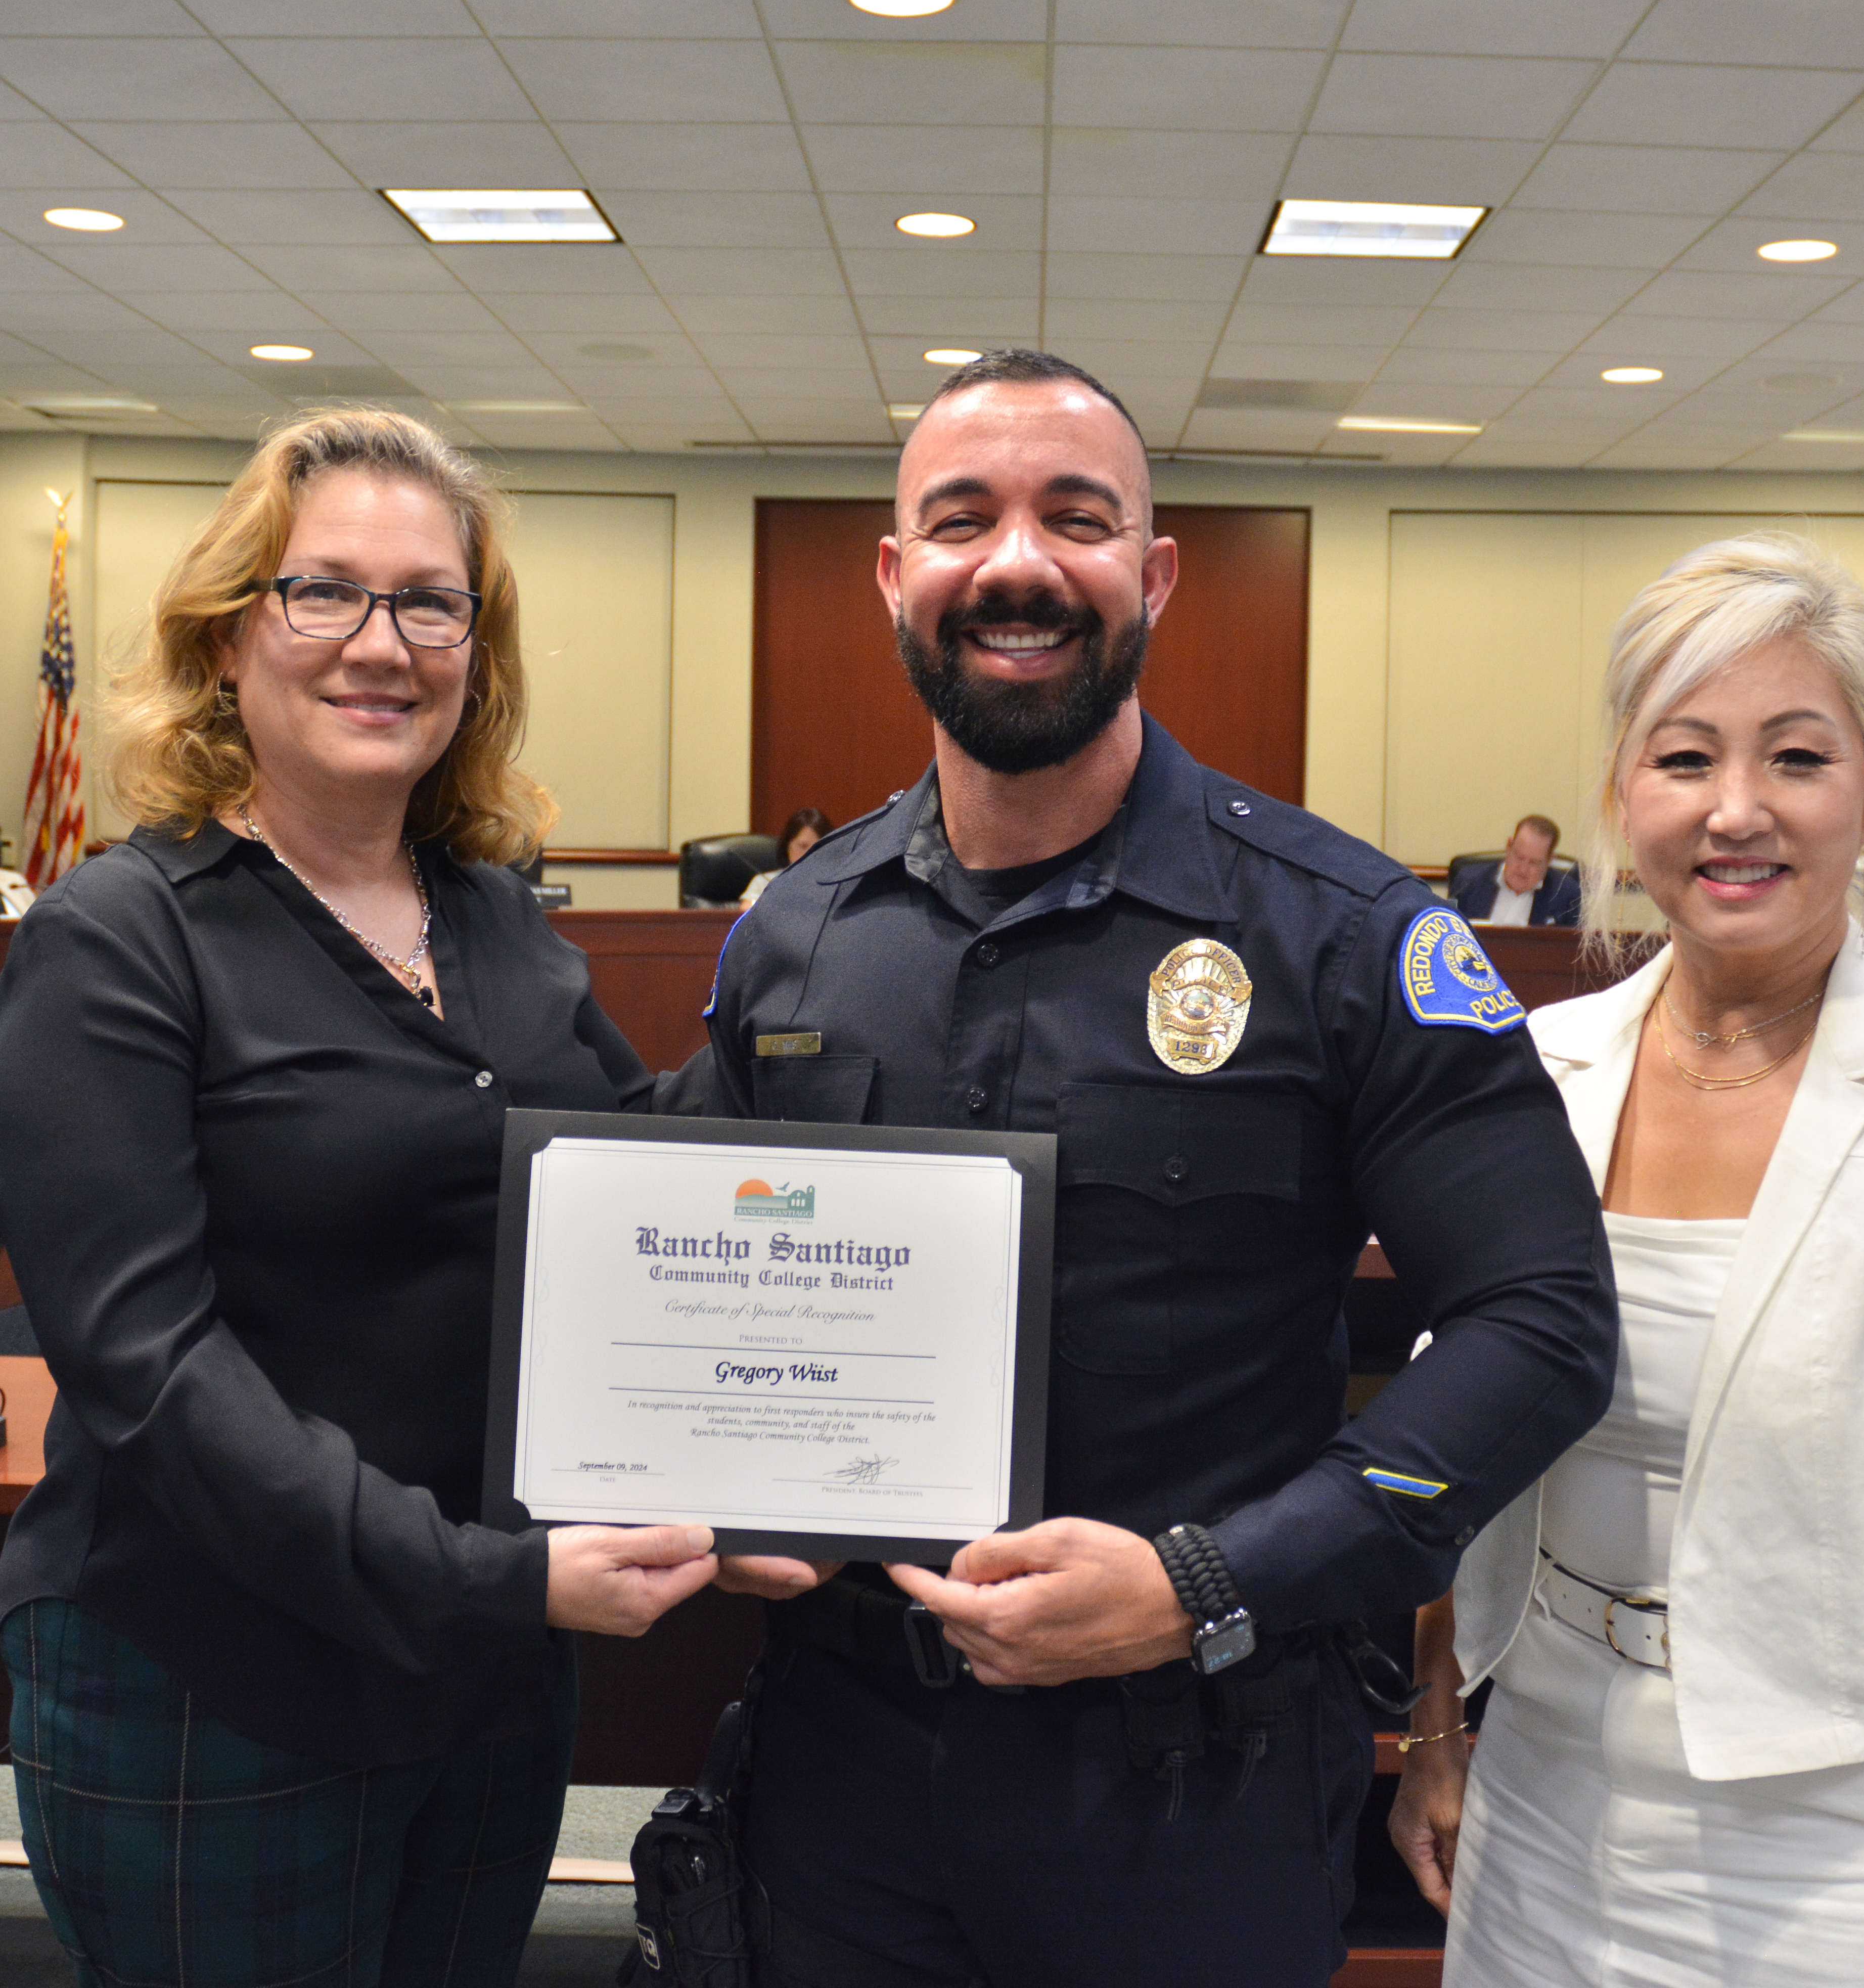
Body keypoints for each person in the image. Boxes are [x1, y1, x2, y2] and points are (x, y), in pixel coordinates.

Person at [701, 349, 1618, 1988]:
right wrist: (699, 1485)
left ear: (1155, 574)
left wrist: (1207, 1583)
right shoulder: (795, 934)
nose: (1019, 564)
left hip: (1185, 1796)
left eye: (1076, 517)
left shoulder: (1343, 935)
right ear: (896, 578)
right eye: (962, 519)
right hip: (838, 1788)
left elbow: (1538, 1325)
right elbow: (692, 1265)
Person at [0, 409, 719, 1988]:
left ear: (476, 646)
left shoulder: (495, 918)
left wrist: (828, 986)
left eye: (429, 602)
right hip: (212, 1673)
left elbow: (631, 1176)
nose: (380, 643)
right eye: (322, 592)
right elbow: (155, 1376)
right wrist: (503, 1580)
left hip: (477, 1677)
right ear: (226, 635)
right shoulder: (121, 939)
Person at [1389, 534, 1864, 1988]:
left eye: (1795, 758)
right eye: (1686, 757)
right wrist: (1438, 1730)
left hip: (1843, 1836)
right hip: (1537, 1804)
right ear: (1620, 796)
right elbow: (1454, 1415)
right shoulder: (1543, 1068)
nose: (1736, 811)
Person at [1449, 815, 1580, 927]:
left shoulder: (1567, 896)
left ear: (1550, 861)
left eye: (1534, 863)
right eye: (1519, 857)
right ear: (1509, 846)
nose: (1523, 870)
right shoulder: (1469, 883)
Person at [740, 804, 832, 908]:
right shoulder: (763, 883)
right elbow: (746, 915)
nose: (810, 854)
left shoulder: (836, 886)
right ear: (787, 845)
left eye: (817, 847)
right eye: (803, 846)